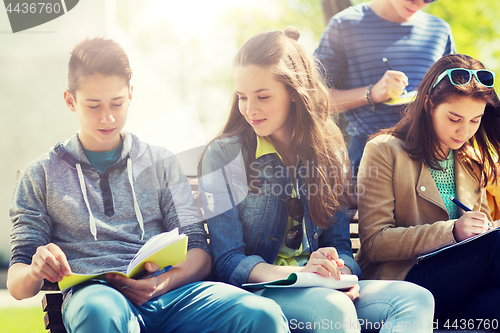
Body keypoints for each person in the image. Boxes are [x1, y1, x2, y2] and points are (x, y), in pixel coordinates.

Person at [7, 37, 289, 333]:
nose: (108, 117)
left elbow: (200, 253)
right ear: (70, 100)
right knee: (99, 310)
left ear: (130, 94)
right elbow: (17, 282)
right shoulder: (40, 175)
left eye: (117, 103)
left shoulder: (160, 162)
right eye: (93, 106)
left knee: (262, 315)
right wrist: (35, 271)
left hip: (172, 295)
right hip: (98, 298)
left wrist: (158, 284)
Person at [199, 27, 434, 333]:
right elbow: (228, 261)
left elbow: (342, 249)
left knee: (415, 299)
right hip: (259, 294)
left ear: (295, 93)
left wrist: (337, 270)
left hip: (321, 289)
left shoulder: (330, 151)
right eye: (242, 97)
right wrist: (300, 277)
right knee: (332, 308)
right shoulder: (224, 155)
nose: (249, 109)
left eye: (262, 96)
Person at [356, 53, 500, 326]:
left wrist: (483, 228)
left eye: (475, 120)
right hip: (400, 282)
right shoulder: (385, 150)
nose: (464, 131)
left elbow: (480, 238)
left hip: (458, 281)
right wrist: (453, 231)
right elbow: (375, 243)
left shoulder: (472, 159)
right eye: (454, 118)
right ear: (428, 104)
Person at [314, 0, 455, 173]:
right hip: (368, 155)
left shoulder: (439, 30)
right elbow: (314, 99)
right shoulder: (345, 24)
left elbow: (454, 97)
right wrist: (371, 93)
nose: (418, 2)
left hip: (429, 156)